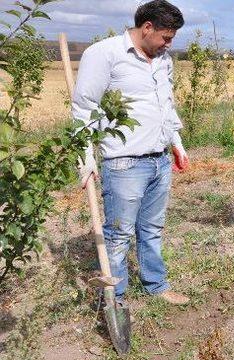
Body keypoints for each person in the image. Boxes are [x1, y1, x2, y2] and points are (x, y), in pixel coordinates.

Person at [73, 0, 190, 305]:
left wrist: (176, 142)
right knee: (119, 235)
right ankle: (116, 298)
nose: (169, 44)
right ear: (147, 27)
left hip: (159, 160)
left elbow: (166, 104)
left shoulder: (163, 59)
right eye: (166, 37)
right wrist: (85, 156)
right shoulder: (104, 54)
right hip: (124, 163)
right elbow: (84, 108)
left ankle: (156, 285)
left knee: (152, 228)